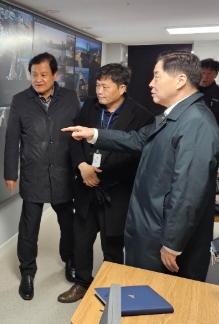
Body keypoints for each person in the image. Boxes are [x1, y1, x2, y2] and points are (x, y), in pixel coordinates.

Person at [62, 52, 219, 281]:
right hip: (150, 225)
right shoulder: (174, 116)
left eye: (156, 76)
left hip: (161, 233)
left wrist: (172, 243)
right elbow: (137, 139)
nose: (150, 84)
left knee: (156, 293)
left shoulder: (196, 123)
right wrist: (93, 134)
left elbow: (188, 192)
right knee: (140, 287)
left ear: (180, 80)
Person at [57, 64, 153, 303]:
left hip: (116, 190)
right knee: (81, 240)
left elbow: (138, 156)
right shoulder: (89, 106)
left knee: (112, 244)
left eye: (105, 87)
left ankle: (113, 288)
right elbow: (75, 139)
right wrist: (82, 166)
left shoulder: (142, 116)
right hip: (85, 186)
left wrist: (102, 176)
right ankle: (82, 283)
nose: (99, 91)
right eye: (97, 85)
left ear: (122, 88)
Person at [4, 52, 80, 301]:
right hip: (33, 172)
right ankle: (27, 272)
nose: (38, 79)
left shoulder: (69, 98)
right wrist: (10, 172)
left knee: (67, 223)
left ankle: (70, 260)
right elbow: (12, 138)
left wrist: (82, 165)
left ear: (55, 74)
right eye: (34, 74)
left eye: (44, 74)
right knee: (29, 226)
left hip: (63, 172)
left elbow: (79, 135)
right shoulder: (20, 100)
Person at [199, 58, 219, 150]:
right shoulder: (187, 90)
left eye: (209, 73)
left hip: (209, 143)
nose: (205, 76)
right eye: (202, 72)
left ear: (216, 75)